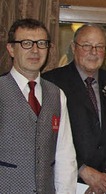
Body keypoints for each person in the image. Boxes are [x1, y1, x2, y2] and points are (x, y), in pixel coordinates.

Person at [42, 23, 106, 194]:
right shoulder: (52, 82)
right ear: (74, 47)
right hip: (68, 183)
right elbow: (45, 137)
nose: (94, 52)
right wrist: (82, 171)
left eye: (99, 46)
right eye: (87, 45)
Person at [0, 18, 77, 193]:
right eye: (26, 43)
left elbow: (65, 156)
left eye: (41, 44)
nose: (35, 50)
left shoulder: (57, 95)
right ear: (11, 49)